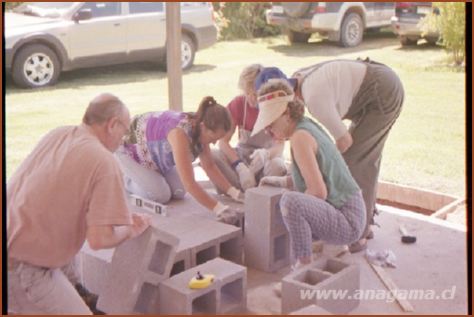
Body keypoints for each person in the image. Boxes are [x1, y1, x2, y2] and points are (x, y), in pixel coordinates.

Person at [7, 93, 152, 314]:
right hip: (20, 267)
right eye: (124, 131)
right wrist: (128, 230)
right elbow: (99, 239)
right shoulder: (104, 161)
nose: (123, 139)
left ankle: (76, 290)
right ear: (112, 124)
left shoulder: (59, 134)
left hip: (15, 237)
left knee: (71, 241)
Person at [255, 59, 404, 252]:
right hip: (374, 84)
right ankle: (356, 220)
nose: (269, 129)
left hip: (382, 92)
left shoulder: (314, 99)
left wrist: (328, 162)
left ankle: (358, 234)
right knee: (353, 161)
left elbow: (344, 141)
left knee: (356, 161)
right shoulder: (300, 82)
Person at [252, 80, 366, 268]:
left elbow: (318, 192)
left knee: (290, 203)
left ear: (286, 114)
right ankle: (322, 248)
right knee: (291, 203)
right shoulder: (305, 126)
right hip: (351, 210)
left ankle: (303, 265)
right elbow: (314, 178)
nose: (268, 130)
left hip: (348, 220)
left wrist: (294, 213)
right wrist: (280, 182)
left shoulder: (300, 138)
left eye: (270, 123)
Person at [117, 96, 241, 224]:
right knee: (161, 195)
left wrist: (235, 193)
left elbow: (209, 166)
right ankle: (126, 179)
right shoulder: (179, 134)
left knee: (179, 191)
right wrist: (219, 208)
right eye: (213, 138)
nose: (214, 142)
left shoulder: (200, 127)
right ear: (203, 126)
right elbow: (190, 183)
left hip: (152, 157)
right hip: (126, 150)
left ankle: (149, 177)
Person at [212, 64, 288, 191]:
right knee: (213, 156)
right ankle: (237, 189)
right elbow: (223, 142)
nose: (252, 98)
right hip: (243, 157)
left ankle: (261, 190)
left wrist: (265, 154)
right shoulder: (238, 104)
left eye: (255, 93)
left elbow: (280, 145)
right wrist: (240, 166)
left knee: (278, 166)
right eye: (247, 93)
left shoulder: (273, 106)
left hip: (267, 160)